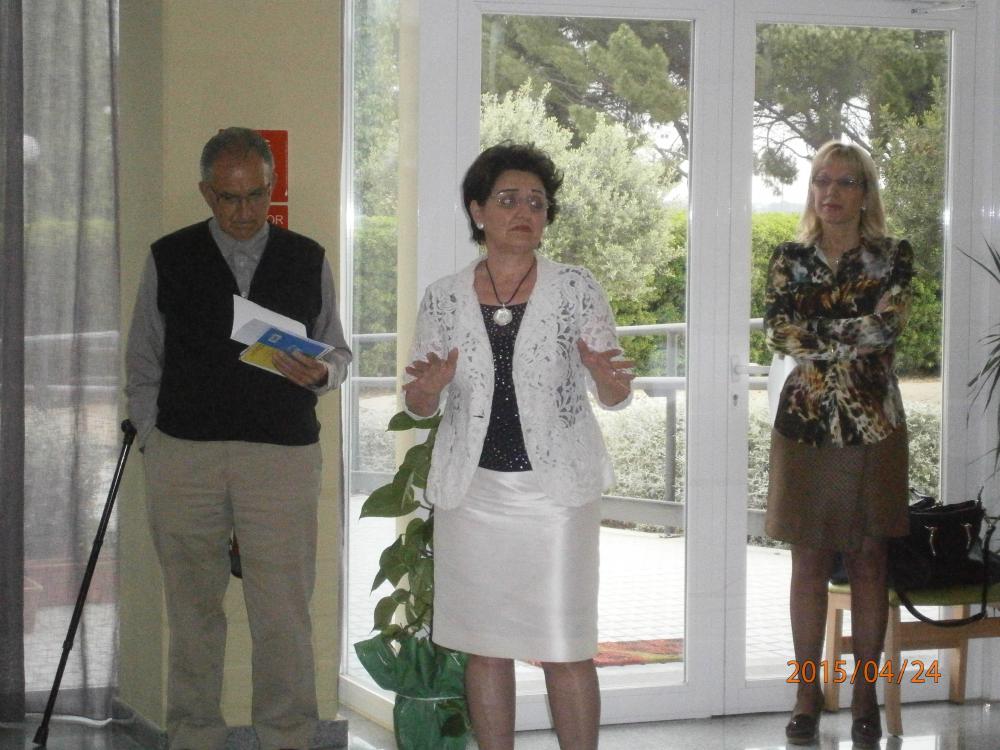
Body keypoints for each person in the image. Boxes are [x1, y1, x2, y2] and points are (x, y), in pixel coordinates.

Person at [125, 127, 351, 750]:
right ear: (206, 193)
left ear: (271, 187)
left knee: (283, 610)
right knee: (193, 610)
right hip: (184, 458)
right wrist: (153, 440)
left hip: (281, 459)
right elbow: (142, 359)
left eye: (257, 195)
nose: (246, 212)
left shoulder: (306, 256)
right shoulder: (169, 256)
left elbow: (338, 350)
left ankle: (288, 735)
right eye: (230, 198)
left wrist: (323, 374)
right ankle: (194, 734)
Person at [402, 142, 633, 750]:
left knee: (567, 649)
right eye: (508, 199)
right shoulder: (444, 297)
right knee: (485, 649)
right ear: (477, 211)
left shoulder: (576, 288)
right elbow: (418, 403)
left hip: (556, 496)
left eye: (536, 201)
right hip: (472, 494)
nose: (524, 211)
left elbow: (614, 393)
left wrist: (608, 380)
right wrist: (428, 390)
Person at [764, 141, 913, 748]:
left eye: (845, 182)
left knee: (870, 559)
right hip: (804, 428)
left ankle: (865, 694)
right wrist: (849, 333)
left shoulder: (893, 256)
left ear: (865, 193)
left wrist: (819, 333)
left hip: (874, 425)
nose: (831, 192)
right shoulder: (788, 257)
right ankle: (807, 693)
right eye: (822, 180)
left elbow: (887, 328)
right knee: (807, 562)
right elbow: (779, 331)